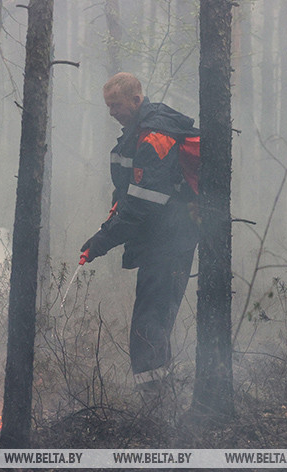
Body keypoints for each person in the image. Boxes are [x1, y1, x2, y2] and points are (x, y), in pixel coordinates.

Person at [80, 73, 199, 387]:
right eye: (108, 106)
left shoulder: (155, 136)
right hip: (158, 242)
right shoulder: (135, 135)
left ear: (136, 99)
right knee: (152, 321)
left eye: (116, 105)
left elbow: (143, 203)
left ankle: (156, 404)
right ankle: (160, 400)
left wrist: (104, 240)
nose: (112, 112)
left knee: (150, 324)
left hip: (171, 243)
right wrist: (104, 232)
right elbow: (127, 197)